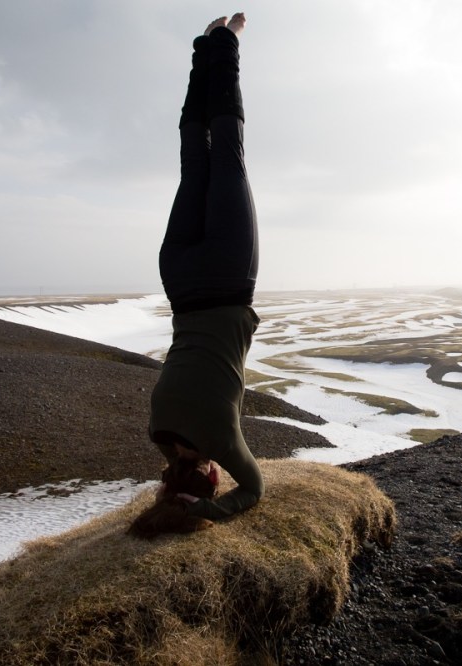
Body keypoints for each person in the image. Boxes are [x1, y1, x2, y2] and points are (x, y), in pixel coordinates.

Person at [142, 13, 264, 525]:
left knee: (227, 154)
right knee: (195, 160)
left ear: (211, 476)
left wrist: (207, 510)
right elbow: (179, 460)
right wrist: (179, 494)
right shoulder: (158, 430)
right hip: (180, 278)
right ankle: (203, 48)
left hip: (227, 277)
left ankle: (227, 43)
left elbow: (252, 491)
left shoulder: (220, 439)